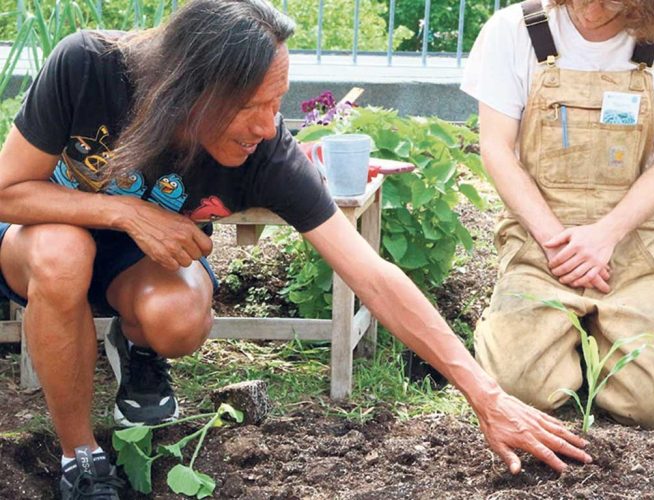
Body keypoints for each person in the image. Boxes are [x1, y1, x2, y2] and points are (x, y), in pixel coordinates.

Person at [0, 1, 591, 497]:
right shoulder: (90, 67)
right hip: (41, 239)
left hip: (143, 265)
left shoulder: (266, 152)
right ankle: (80, 454)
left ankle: (136, 349)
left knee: (177, 319)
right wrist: (125, 211)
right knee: (63, 255)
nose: (267, 124)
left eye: (275, 104)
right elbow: (7, 193)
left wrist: (486, 396)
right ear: (189, 90)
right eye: (251, 106)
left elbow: (372, 275)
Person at [461, 0, 654, 431]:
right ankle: (526, 330)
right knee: (519, 390)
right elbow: (496, 149)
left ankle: (593, 340)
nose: (590, 11)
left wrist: (605, 236)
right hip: (540, 239)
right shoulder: (515, 30)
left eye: (610, 4)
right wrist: (559, 242)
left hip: (629, 241)